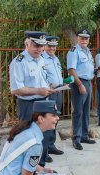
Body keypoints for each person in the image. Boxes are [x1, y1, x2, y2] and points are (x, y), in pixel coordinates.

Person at [0, 100, 68, 175]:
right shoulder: (35, 143)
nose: (57, 118)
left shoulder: (28, 129)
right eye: (53, 115)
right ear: (41, 119)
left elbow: (24, 159)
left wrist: (42, 169)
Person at [9, 31, 55, 121]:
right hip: (28, 105)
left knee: (44, 133)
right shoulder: (19, 62)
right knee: (28, 132)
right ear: (27, 44)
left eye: (41, 46)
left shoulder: (41, 59)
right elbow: (16, 90)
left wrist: (50, 87)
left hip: (44, 102)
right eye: (36, 46)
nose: (39, 49)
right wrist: (38, 91)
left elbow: (42, 80)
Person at [67, 29, 96, 150]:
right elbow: (71, 70)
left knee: (85, 111)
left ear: (88, 40)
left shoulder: (88, 51)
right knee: (78, 112)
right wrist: (79, 85)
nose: (84, 40)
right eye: (82, 38)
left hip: (88, 82)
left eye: (86, 38)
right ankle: (76, 138)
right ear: (78, 39)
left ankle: (84, 135)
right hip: (78, 83)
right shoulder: (74, 51)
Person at [40, 36, 64, 165]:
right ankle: (45, 150)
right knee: (47, 121)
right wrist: (50, 86)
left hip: (59, 92)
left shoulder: (55, 58)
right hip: (49, 93)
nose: (52, 48)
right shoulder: (42, 59)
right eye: (50, 46)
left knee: (55, 120)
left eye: (54, 46)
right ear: (45, 46)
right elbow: (42, 77)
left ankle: (51, 145)